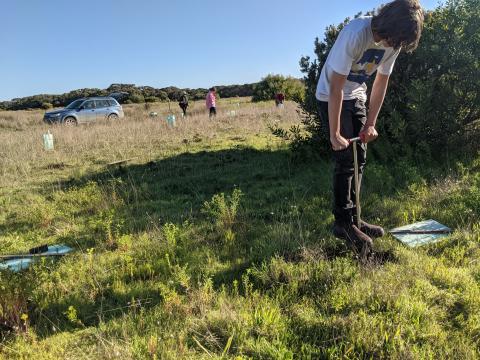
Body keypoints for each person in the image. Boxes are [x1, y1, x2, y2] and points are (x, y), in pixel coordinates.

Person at [315, 0, 424, 257]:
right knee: (344, 160)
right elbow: (335, 87)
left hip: (358, 96)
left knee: (359, 158)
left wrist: (371, 123)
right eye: (395, 39)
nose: (395, 45)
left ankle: (355, 218)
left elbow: (380, 82)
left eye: (401, 42)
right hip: (331, 96)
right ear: (389, 24)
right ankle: (342, 223)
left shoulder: (395, 43)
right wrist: (334, 133)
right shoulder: (355, 33)